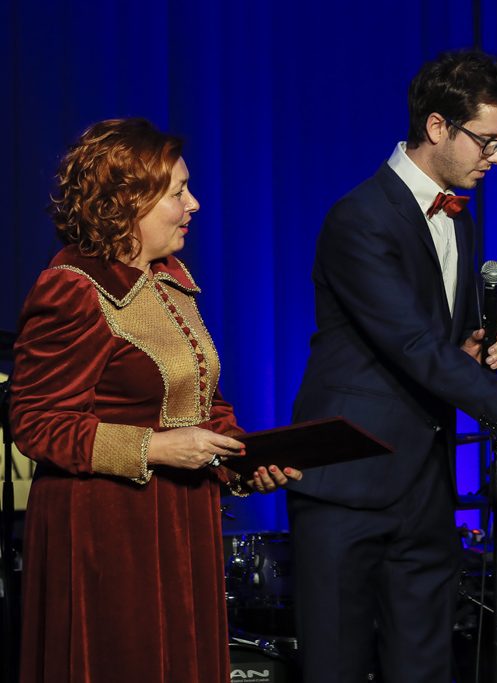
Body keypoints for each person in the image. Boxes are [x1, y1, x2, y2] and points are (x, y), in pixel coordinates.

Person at [287, 50, 497, 682]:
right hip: (347, 486)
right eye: (487, 141)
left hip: (425, 489)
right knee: (335, 670)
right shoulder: (359, 219)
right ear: (437, 126)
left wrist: (473, 351)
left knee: (426, 670)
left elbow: (436, 349)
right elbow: (414, 347)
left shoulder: (459, 220)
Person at [10, 118, 302, 682]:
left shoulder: (169, 276)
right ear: (127, 203)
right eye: (177, 192)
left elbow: (203, 407)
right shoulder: (73, 287)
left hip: (182, 519)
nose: (194, 204)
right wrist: (155, 448)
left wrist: (245, 461)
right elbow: (36, 422)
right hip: (109, 531)